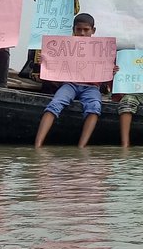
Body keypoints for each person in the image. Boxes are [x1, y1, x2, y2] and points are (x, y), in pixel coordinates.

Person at [33, 13, 106, 149]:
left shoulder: (101, 49)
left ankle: (82, 146)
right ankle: (38, 145)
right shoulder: (65, 47)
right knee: (55, 103)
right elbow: (53, 67)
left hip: (91, 87)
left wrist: (112, 69)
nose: (82, 33)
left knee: (95, 106)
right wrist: (44, 63)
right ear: (73, 29)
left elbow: (107, 70)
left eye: (86, 30)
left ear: (93, 30)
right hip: (70, 84)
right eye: (79, 30)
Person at [21, 0, 80, 80]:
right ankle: (39, 74)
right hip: (47, 29)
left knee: (60, 52)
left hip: (63, 29)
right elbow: (41, 12)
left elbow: (75, 11)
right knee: (42, 52)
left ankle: (59, 75)